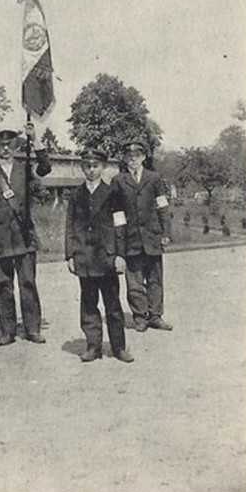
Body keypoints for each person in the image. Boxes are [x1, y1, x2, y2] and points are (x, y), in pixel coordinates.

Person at [0, 121, 51, 346]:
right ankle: (7, 330)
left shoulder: (24, 170)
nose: (5, 149)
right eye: (1, 145)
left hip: (25, 237)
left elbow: (45, 168)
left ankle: (32, 329)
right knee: (3, 286)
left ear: (16, 147)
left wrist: (35, 140)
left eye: (9, 144)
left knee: (28, 283)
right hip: (1, 240)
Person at [65, 149, 133, 363]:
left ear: (103, 167)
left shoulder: (114, 193)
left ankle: (119, 347)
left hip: (107, 258)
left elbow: (121, 226)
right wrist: (70, 255)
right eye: (87, 166)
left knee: (112, 305)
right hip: (84, 258)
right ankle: (93, 346)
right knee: (88, 304)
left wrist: (120, 255)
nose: (91, 170)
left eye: (95, 166)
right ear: (82, 167)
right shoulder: (76, 195)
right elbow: (70, 226)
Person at [111, 138, 173, 332]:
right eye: (129, 156)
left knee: (155, 278)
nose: (133, 160)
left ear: (143, 157)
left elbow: (163, 207)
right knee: (134, 281)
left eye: (136, 156)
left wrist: (165, 233)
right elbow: (117, 213)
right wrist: (119, 240)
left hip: (153, 238)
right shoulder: (118, 181)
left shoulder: (154, 178)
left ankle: (156, 316)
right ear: (124, 158)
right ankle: (140, 317)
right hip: (131, 239)